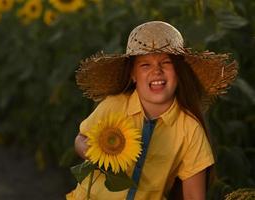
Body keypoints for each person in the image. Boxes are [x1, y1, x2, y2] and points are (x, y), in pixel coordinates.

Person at [67, 21, 238, 200]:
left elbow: (194, 196)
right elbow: (81, 138)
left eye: (166, 62)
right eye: (145, 65)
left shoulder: (190, 129)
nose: (156, 71)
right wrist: (96, 154)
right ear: (133, 74)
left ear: (179, 72)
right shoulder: (114, 105)